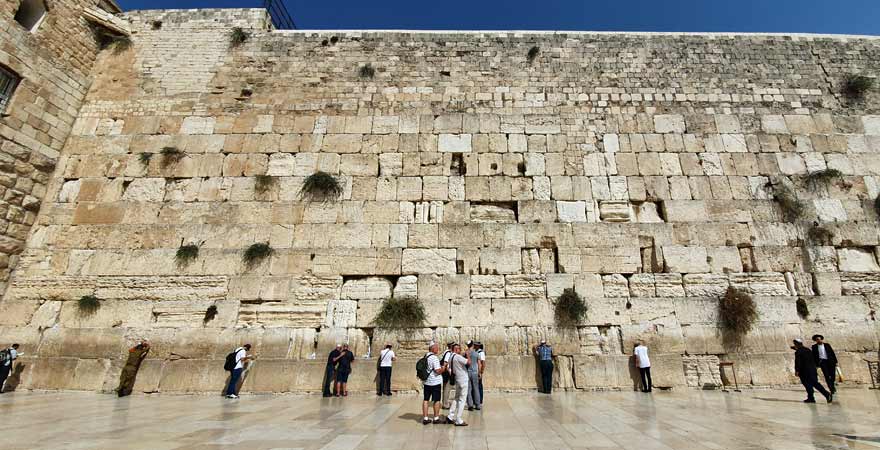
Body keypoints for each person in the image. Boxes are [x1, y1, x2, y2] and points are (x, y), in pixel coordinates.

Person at [793, 338, 832, 403]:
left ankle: (827, 394)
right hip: (812, 370)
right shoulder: (808, 350)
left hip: (804, 371)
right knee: (812, 384)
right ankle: (811, 398)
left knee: (810, 384)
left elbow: (798, 362)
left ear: (796, 344)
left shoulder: (798, 352)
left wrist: (797, 371)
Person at [421, 342, 446, 425]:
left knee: (426, 400)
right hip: (435, 382)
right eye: (436, 347)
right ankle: (436, 418)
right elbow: (438, 371)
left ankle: (425, 418)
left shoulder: (425, 356)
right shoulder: (434, 358)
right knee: (437, 400)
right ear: (432, 348)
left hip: (427, 382)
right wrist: (443, 368)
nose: (438, 349)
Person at [445, 343, 470, 426]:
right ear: (456, 349)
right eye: (459, 349)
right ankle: (458, 419)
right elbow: (468, 362)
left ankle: (450, 416)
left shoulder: (450, 357)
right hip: (463, 379)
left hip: (457, 379)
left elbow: (449, 368)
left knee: (456, 398)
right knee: (462, 400)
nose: (460, 350)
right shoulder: (458, 357)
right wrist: (468, 354)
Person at [466, 340, 482, 410]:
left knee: (469, 389)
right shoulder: (476, 353)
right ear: (472, 345)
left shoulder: (465, 353)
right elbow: (479, 364)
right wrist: (480, 372)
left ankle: (470, 405)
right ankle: (478, 405)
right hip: (475, 372)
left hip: (467, 372)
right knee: (476, 388)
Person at [441, 342, 456, 409]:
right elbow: (445, 364)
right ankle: (445, 404)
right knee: (447, 389)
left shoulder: (446, 352)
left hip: (445, 373)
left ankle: (444, 403)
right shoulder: (448, 353)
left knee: (445, 388)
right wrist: (450, 373)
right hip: (447, 373)